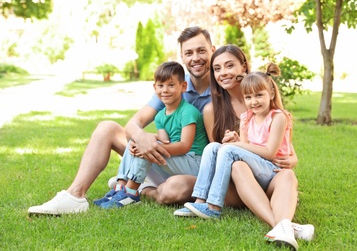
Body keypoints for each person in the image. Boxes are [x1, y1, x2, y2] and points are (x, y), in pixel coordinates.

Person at [28, 26, 215, 215]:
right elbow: (134, 124)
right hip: (168, 158)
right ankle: (75, 195)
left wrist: (153, 146)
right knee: (107, 128)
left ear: (212, 51)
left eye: (201, 51)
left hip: (194, 165)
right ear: (182, 57)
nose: (195, 58)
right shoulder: (170, 87)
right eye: (188, 53)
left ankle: (139, 188)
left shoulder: (222, 85)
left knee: (171, 190)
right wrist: (142, 139)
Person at [174, 45, 314, 250]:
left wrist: (292, 158)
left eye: (230, 65)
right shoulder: (235, 114)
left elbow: (278, 149)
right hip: (243, 175)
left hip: (269, 169)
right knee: (216, 147)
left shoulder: (276, 115)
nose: (253, 101)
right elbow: (246, 147)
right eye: (217, 68)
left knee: (280, 173)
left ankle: (214, 206)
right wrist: (236, 141)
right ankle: (201, 200)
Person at [93, 61, 208, 209]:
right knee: (137, 141)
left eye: (171, 85)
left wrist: (150, 147)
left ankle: (131, 192)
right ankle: (120, 188)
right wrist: (143, 145)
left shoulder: (188, 112)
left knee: (148, 147)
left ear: (183, 87)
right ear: (155, 88)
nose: (165, 90)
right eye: (161, 86)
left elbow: (185, 146)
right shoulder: (160, 116)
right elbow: (164, 142)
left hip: (195, 163)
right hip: (179, 162)